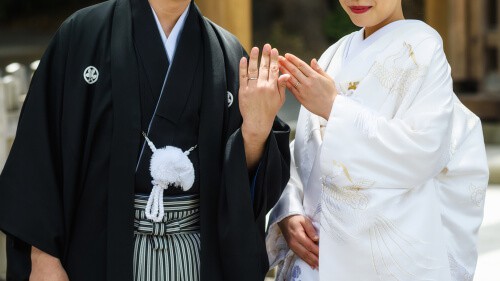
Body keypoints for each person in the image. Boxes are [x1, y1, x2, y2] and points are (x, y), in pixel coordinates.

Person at [0, 0, 292, 280]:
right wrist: (43, 259)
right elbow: (38, 155)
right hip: (100, 256)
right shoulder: (81, 36)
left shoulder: (227, 54)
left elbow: (248, 193)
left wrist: (255, 131)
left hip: (196, 260)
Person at [266, 0, 489, 280]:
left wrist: (335, 108)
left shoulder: (422, 47)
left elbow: (424, 151)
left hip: (381, 262)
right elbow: (305, 155)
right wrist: (289, 211)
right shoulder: (333, 54)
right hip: (316, 259)